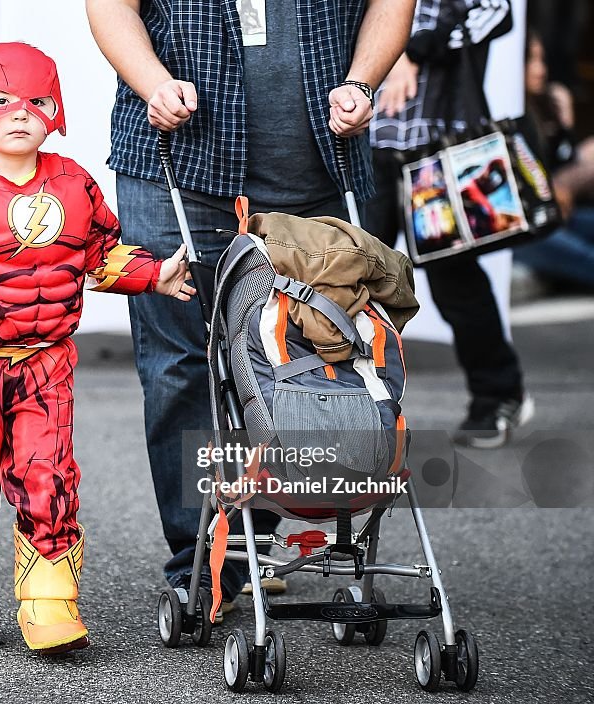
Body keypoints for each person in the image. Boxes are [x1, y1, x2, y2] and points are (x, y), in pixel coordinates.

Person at [85, 0, 414, 603]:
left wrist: (363, 81)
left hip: (316, 172)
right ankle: (203, 558)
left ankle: (262, 539)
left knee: (312, 361)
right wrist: (153, 84)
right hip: (176, 167)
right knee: (179, 365)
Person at [0, 42, 194, 653]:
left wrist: (152, 274)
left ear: (54, 110)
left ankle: (49, 605)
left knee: (50, 480)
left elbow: (100, 254)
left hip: (47, 363)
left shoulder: (74, 183)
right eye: (1, 101)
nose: (19, 114)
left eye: (36, 101)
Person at [367, 0, 534, 449]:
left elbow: (495, 13)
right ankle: (348, 410)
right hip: (366, 144)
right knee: (352, 281)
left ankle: (498, 394)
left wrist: (413, 51)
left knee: (455, 283)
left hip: (437, 150)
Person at [514, 34, 594, 291]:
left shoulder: (546, 106)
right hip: (525, 229)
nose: (540, 70)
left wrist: (564, 127)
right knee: (584, 258)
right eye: (531, 60)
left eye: (542, 60)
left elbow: (564, 165)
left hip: (557, 215)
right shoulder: (504, 116)